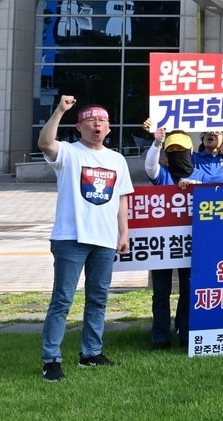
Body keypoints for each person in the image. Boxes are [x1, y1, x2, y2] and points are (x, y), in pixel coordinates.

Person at [38, 96, 132, 382]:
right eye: (91, 121)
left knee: (98, 299)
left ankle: (91, 353)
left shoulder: (116, 159)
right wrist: (59, 111)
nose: (97, 125)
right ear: (79, 127)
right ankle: (51, 360)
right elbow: (44, 143)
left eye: (102, 121)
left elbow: (121, 199)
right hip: (70, 237)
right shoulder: (68, 153)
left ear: (109, 128)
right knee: (62, 300)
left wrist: (124, 232)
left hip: (104, 240)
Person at [141, 128, 196, 351]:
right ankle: (160, 337)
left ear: (191, 151)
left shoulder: (200, 174)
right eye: (172, 150)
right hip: (163, 244)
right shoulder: (162, 174)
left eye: (181, 150)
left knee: (188, 289)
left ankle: (186, 332)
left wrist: (194, 186)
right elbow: (149, 167)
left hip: (192, 243)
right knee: (161, 292)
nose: (177, 154)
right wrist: (157, 143)